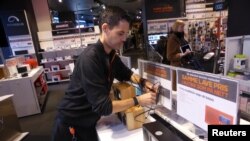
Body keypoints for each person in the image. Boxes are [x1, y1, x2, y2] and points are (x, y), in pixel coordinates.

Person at [52, 6, 157, 141]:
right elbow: (104, 107)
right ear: (105, 28)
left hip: (88, 122)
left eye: (126, 33)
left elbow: (127, 73)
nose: (125, 38)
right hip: (71, 126)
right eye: (120, 33)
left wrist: (144, 82)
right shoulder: (90, 59)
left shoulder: (111, 55)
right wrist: (139, 100)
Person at [166, 20, 192, 90]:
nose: (183, 29)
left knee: (184, 88)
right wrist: (181, 54)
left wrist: (188, 52)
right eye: (181, 27)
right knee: (177, 89)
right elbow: (169, 56)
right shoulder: (172, 39)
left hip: (184, 66)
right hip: (177, 67)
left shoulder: (181, 37)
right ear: (176, 27)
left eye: (183, 27)